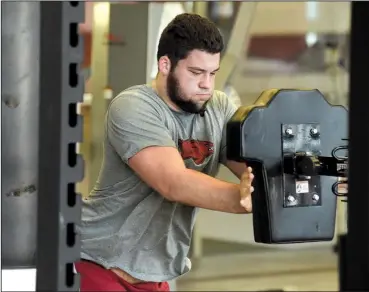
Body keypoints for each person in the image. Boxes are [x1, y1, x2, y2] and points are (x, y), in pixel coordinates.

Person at [75, 13, 254, 292]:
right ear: (165, 64)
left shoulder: (218, 107)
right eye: (196, 73)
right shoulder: (133, 106)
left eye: (212, 73)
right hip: (99, 264)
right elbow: (173, 182)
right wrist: (242, 197)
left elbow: (253, 167)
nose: (207, 84)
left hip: (155, 276)